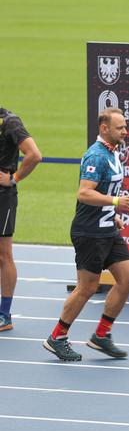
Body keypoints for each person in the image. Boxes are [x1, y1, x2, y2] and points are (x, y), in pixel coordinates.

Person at [43, 108, 129, 361]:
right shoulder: (96, 156)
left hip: (107, 230)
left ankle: (101, 335)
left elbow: (101, 195)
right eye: (120, 128)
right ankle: (57, 336)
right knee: (87, 288)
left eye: (125, 127)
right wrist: (115, 201)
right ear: (104, 129)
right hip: (89, 233)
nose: (125, 131)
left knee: (127, 279)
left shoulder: (113, 153)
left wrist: (112, 213)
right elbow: (84, 193)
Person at [0, 107, 42, 331]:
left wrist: (13, 179)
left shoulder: (10, 122)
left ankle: (4, 315)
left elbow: (34, 155)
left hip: (1, 197)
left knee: (3, 254)